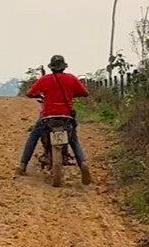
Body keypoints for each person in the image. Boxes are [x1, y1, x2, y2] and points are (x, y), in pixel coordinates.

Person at [19, 54, 93, 184]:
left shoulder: (45, 79)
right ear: (63, 67)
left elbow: (30, 93)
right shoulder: (71, 78)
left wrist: (39, 95)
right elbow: (85, 93)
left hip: (48, 117)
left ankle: (23, 165)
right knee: (73, 139)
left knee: (34, 135)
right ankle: (82, 163)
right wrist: (72, 94)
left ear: (52, 67)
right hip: (66, 117)